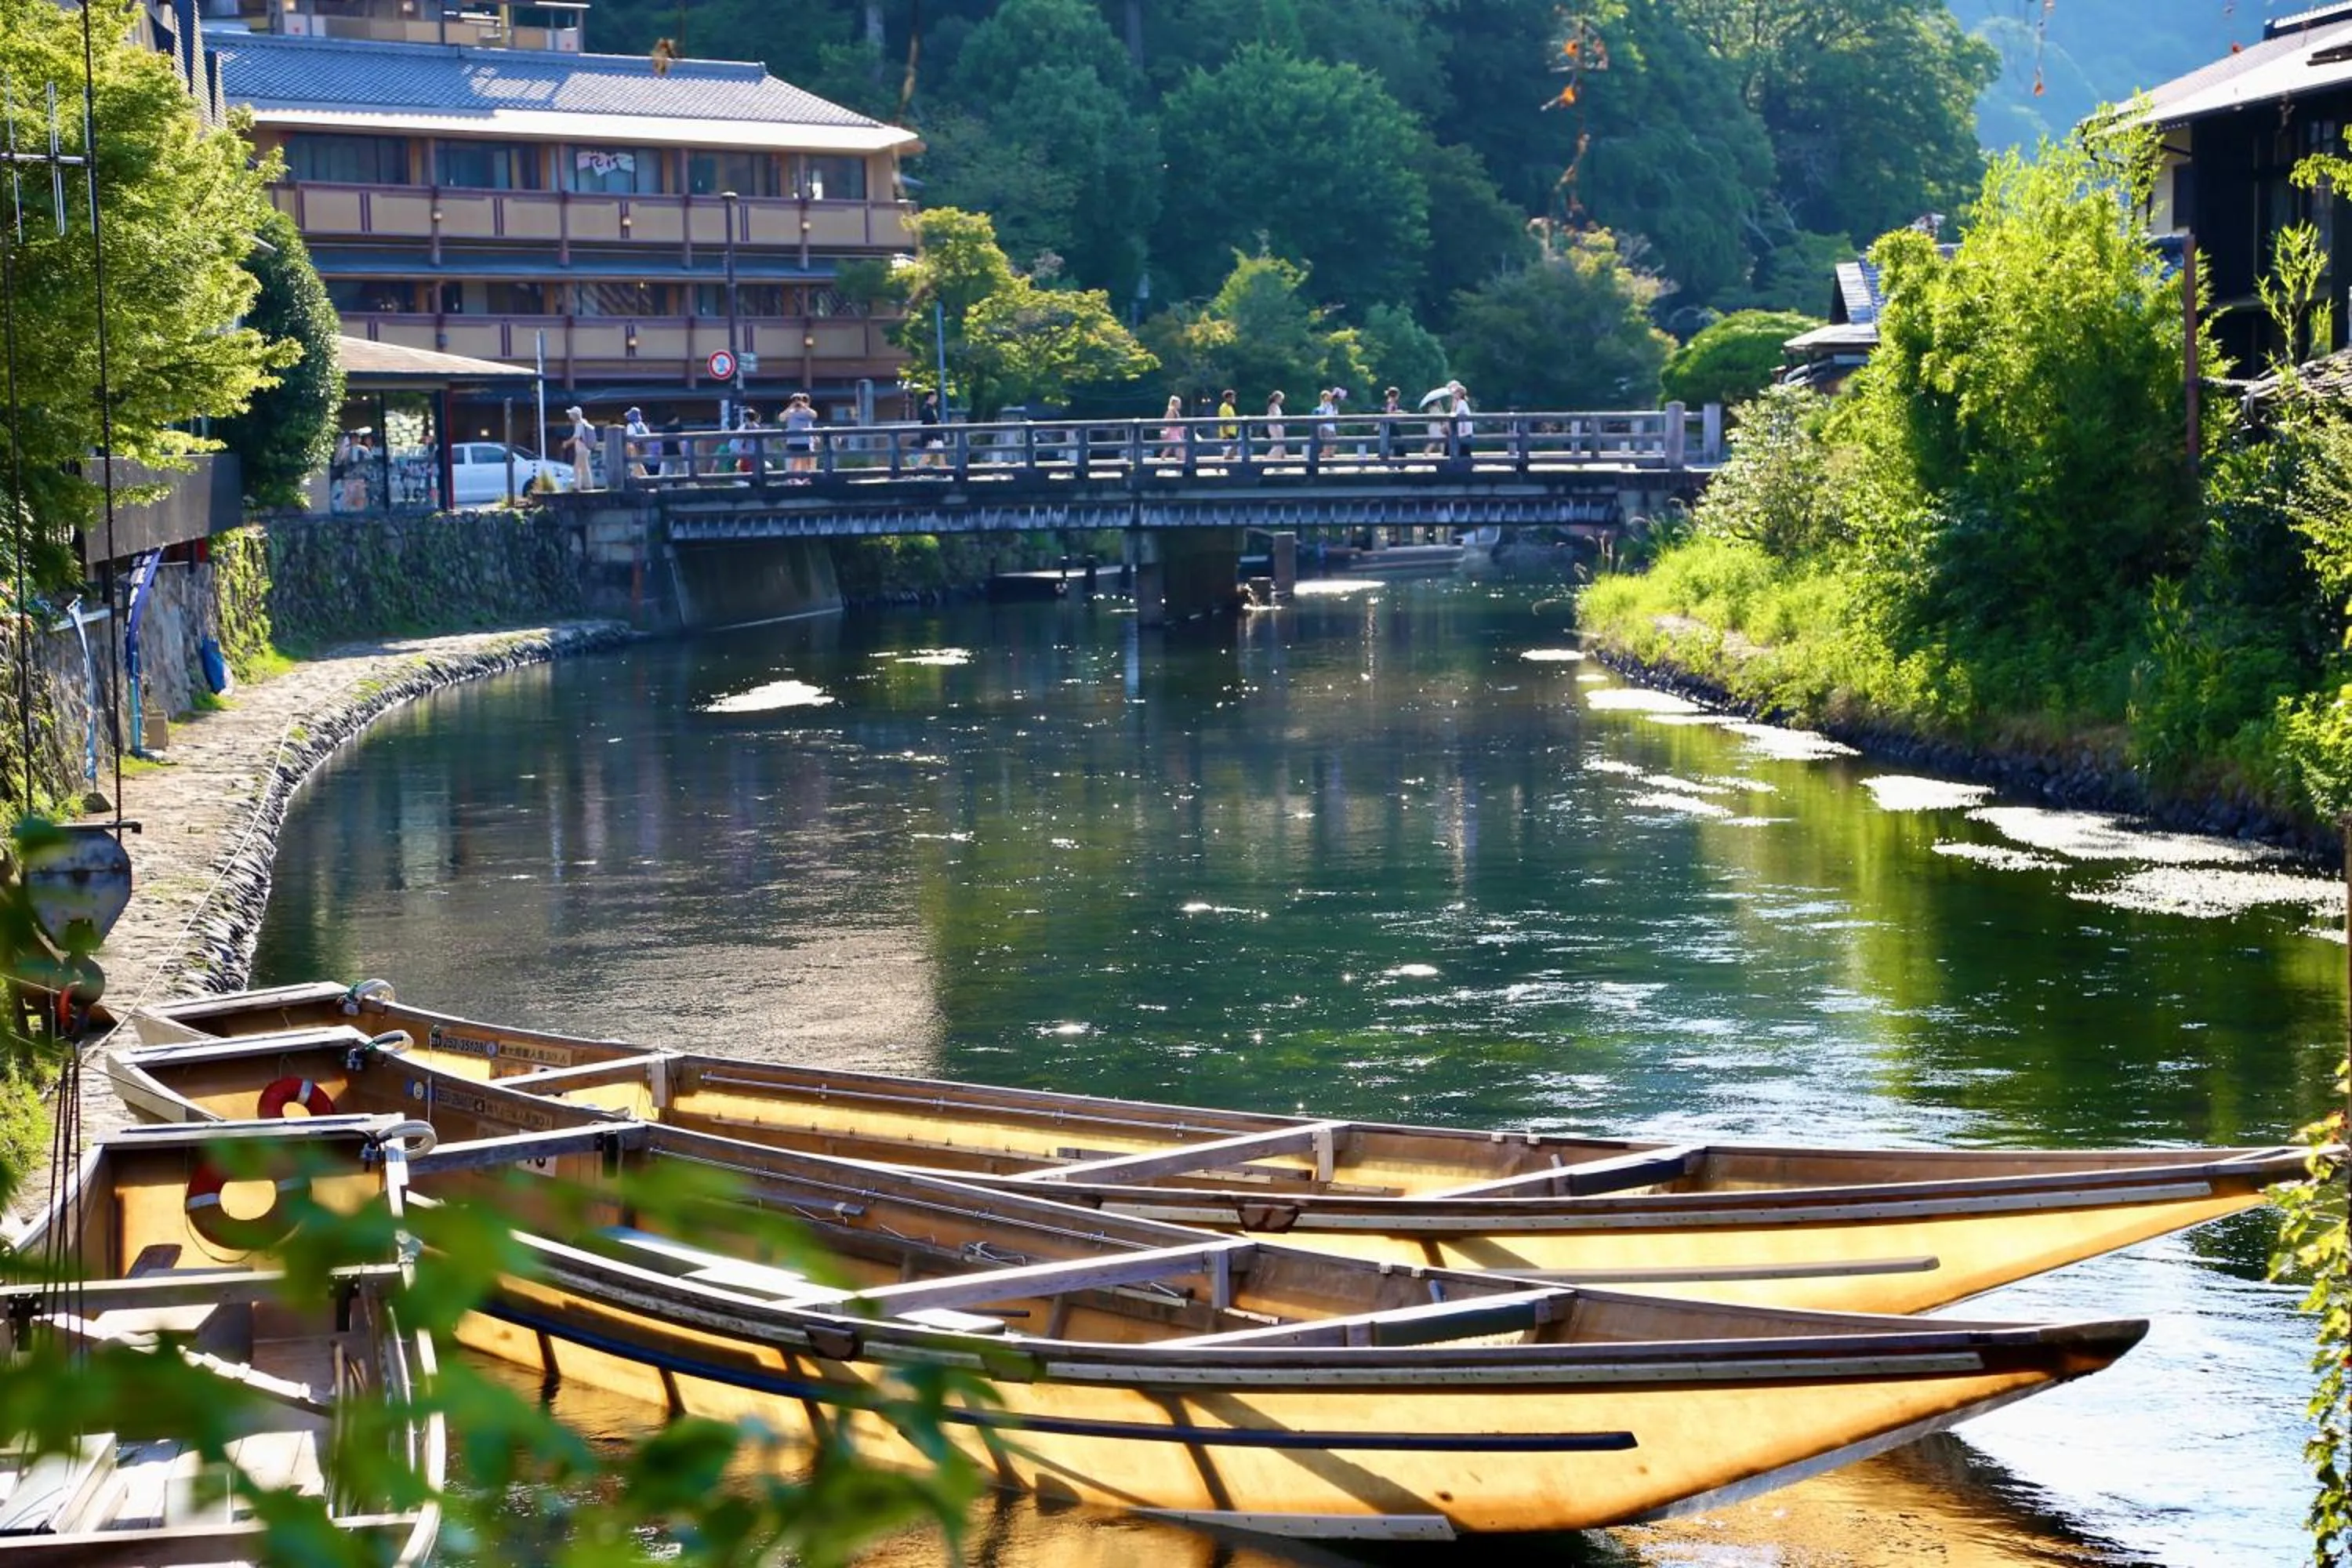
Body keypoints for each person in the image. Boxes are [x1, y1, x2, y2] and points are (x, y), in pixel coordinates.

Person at [783, 393, 818, 476]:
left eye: (799, 400)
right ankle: (793, 481)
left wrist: (804, 406)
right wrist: (790, 407)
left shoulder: (807, 412)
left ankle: (805, 481)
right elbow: (781, 418)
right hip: (792, 442)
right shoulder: (789, 412)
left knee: (805, 465)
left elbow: (815, 415)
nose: (797, 403)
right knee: (792, 465)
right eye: (794, 401)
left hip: (805, 442)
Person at [566, 405, 597, 490]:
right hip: (586, 449)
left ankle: (577, 486)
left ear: (575, 415)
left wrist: (566, 443)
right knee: (584, 468)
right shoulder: (584, 422)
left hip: (582, 450)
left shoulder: (579, 424)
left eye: (571, 414)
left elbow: (576, 437)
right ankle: (588, 485)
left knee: (576, 468)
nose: (569, 416)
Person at [916, 390, 945, 468]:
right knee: (928, 455)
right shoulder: (927, 409)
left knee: (939, 454)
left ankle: (944, 471)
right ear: (931, 397)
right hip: (932, 436)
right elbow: (927, 424)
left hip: (935, 435)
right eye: (935, 396)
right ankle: (917, 471)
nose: (936, 398)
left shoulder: (931, 408)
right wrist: (930, 438)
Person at [623, 406, 652, 480]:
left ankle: (647, 483)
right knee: (638, 467)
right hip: (644, 449)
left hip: (635, 450)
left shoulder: (631, 426)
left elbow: (630, 441)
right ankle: (646, 483)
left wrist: (628, 452)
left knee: (636, 466)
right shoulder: (642, 425)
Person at [1450, 380, 1475, 459]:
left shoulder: (1461, 403)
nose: (1453, 395)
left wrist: (1463, 428)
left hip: (1464, 429)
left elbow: (1460, 415)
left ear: (1459, 394)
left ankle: (1466, 465)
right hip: (1463, 430)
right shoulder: (1461, 403)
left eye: (1455, 393)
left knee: (1465, 450)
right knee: (1464, 449)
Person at [1158, 394, 1185, 463]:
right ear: (1175, 403)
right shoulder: (1171, 411)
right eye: (1179, 403)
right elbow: (1167, 421)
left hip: (1175, 432)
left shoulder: (1175, 411)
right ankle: (1181, 459)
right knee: (1179, 445)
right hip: (1172, 432)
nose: (1180, 404)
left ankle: (1179, 459)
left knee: (1170, 446)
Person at [1264, 389, 1287, 461]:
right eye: (1281, 399)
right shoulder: (1273, 406)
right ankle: (1268, 459)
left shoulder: (1276, 406)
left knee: (1279, 444)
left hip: (1277, 426)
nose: (1282, 401)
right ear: (1277, 398)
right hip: (1275, 426)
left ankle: (1276, 459)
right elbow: (1274, 417)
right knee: (1278, 444)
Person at [1216, 389, 1239, 460]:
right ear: (1227, 398)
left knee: (1232, 451)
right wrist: (1226, 434)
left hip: (1232, 432)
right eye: (1232, 398)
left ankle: (1223, 466)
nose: (1234, 399)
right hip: (1228, 433)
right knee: (1232, 450)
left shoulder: (1230, 407)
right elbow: (1223, 421)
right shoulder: (1224, 407)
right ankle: (1223, 465)